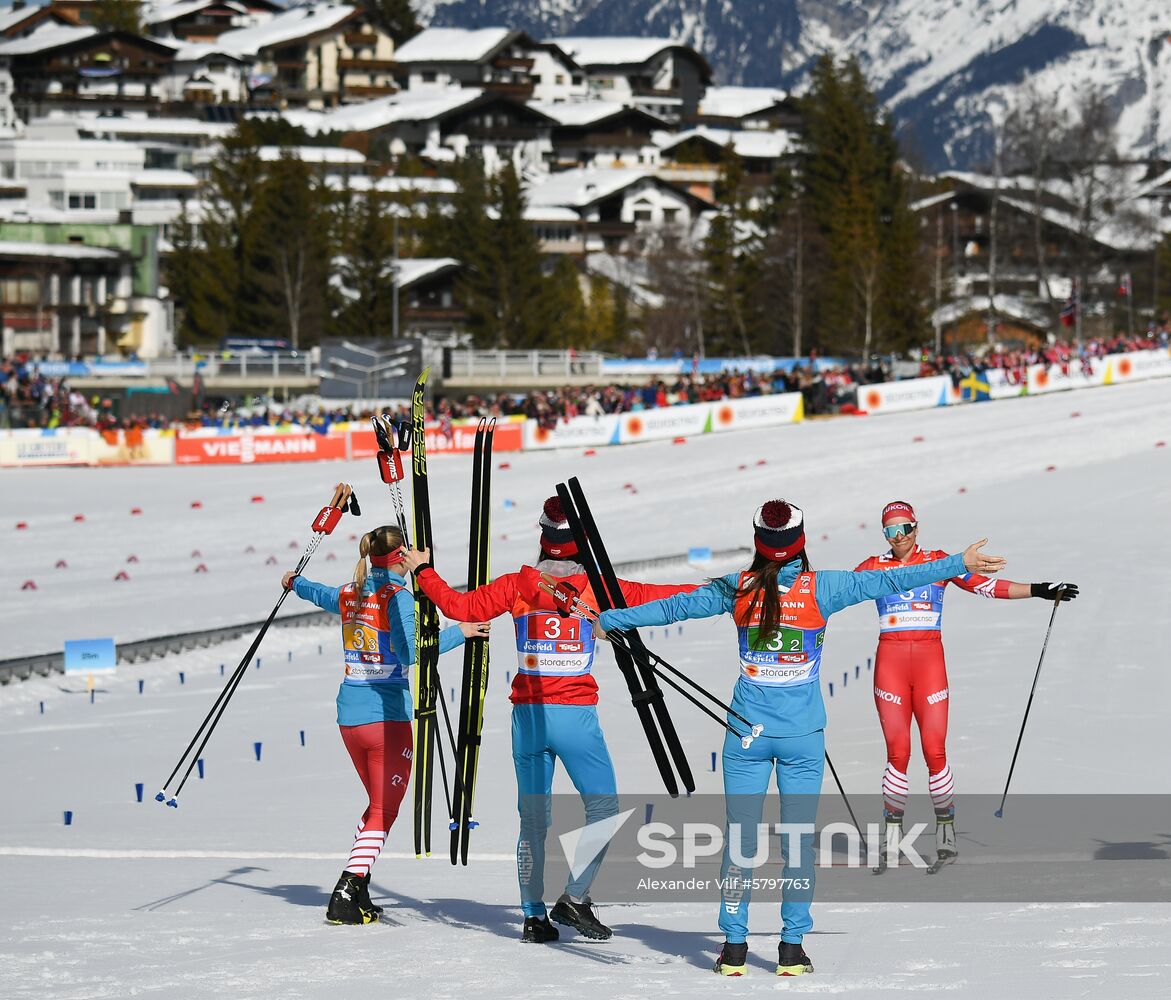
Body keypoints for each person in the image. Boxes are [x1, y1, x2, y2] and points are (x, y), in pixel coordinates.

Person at [595, 500, 1008, 977]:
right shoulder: (823, 587)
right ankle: (791, 950)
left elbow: (674, 608)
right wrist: (958, 563)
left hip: (746, 736)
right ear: (801, 541)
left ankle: (733, 949)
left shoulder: (738, 588)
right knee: (796, 843)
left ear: (759, 543)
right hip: (802, 740)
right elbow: (892, 580)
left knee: (740, 842)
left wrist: (612, 620)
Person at [401, 497, 696, 944]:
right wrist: (732, 589)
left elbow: (459, 608)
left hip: (528, 719)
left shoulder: (518, 584)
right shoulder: (600, 588)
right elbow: (669, 598)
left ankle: (532, 917)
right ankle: (574, 898)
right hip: (576, 719)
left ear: (543, 539)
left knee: (533, 821)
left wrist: (423, 570)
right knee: (603, 808)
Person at [283, 525, 489, 925]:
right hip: (386, 718)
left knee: (378, 807)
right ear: (398, 558)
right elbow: (412, 653)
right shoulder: (399, 597)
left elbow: (319, 593)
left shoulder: (352, 590)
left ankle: (358, 889)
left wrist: (295, 582)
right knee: (384, 809)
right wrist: (461, 632)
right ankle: (346, 890)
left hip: (350, 716)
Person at [855, 500, 1078, 868]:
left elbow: (987, 587)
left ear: (916, 527)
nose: (899, 537)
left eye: (904, 528)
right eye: (890, 531)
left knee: (934, 751)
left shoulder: (940, 562)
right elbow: (834, 591)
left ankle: (945, 830)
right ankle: (892, 836)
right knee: (897, 752)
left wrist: (1039, 589)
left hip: (929, 663)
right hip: (890, 665)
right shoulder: (873, 567)